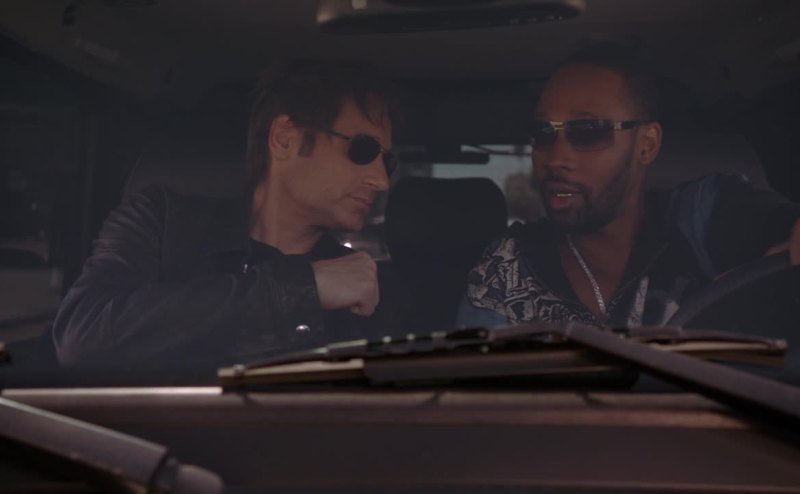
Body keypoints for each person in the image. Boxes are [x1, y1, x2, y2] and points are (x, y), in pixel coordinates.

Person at [53, 59, 397, 368]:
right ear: (284, 139)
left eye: (388, 161)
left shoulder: (364, 288)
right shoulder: (161, 222)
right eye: (364, 149)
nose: (381, 180)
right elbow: (81, 337)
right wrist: (301, 290)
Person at [459, 45, 800, 329]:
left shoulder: (700, 215)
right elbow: (480, 384)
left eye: (588, 130)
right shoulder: (509, 267)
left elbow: (781, 223)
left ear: (647, 144)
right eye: (543, 133)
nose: (556, 157)